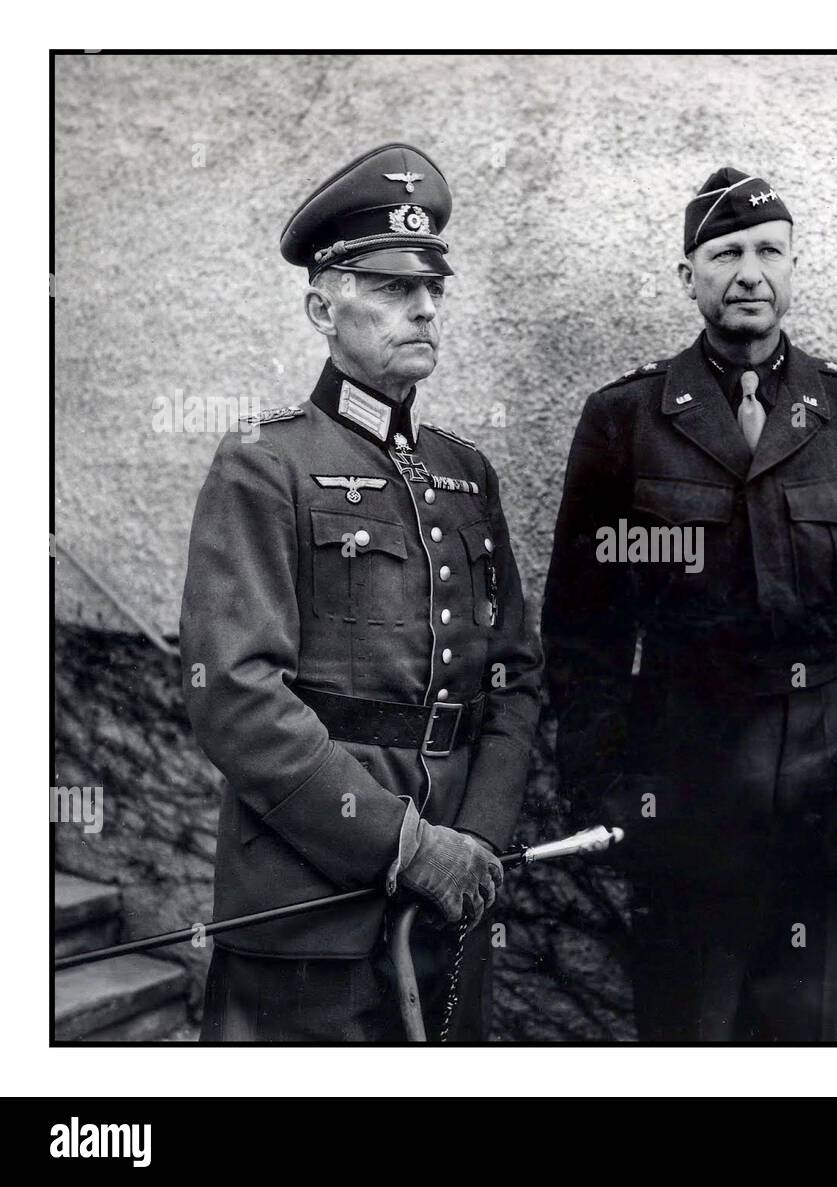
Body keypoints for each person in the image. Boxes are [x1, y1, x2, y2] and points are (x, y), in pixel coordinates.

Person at [542, 167, 837, 1041]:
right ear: (688, 277)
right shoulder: (624, 421)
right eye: (725, 253)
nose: (749, 271)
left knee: (799, 1038)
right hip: (683, 799)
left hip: (822, 800)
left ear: (794, 268)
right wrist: (603, 787)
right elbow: (584, 629)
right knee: (686, 1036)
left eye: (768, 251)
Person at [181, 143, 542, 1041]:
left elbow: (513, 681)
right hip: (308, 912)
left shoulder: (466, 474)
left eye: (431, 289)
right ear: (322, 307)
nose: (423, 307)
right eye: (388, 287)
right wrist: (404, 844)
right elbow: (235, 695)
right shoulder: (265, 464)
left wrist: (476, 846)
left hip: (451, 907)